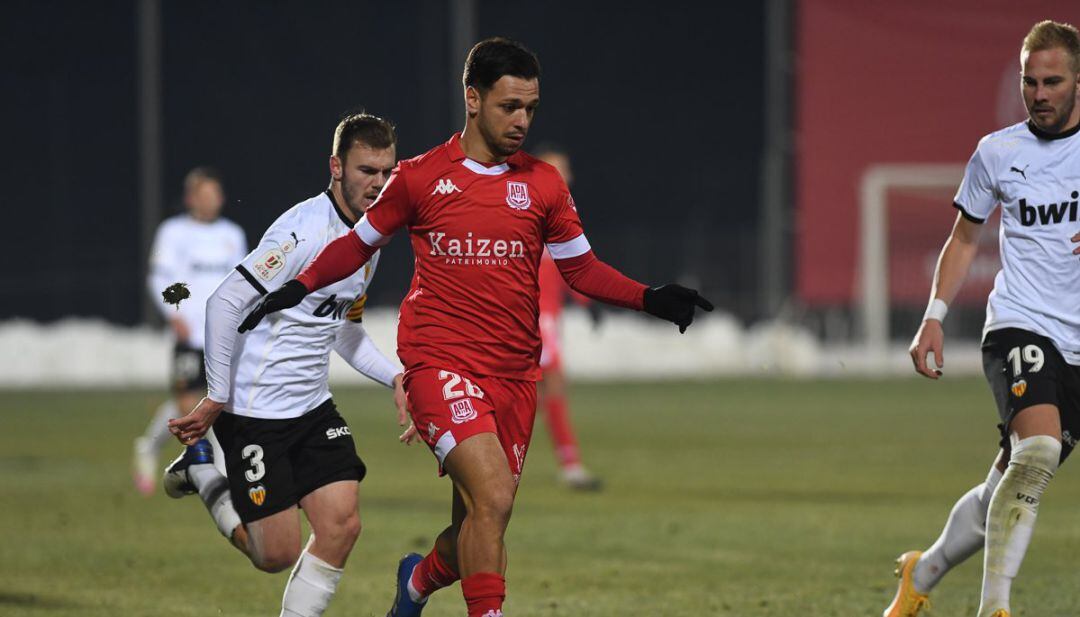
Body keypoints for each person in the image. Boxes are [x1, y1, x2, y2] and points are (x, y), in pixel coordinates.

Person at [238, 38, 713, 617]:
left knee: (479, 525)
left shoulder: (543, 185)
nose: (522, 121)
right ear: (472, 98)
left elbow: (581, 269)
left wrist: (650, 297)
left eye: (531, 108)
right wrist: (296, 287)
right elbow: (353, 246)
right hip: (441, 365)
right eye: (509, 106)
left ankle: (415, 584)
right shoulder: (417, 178)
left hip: (515, 376)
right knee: (493, 496)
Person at [164, 113, 406, 617]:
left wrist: (395, 377)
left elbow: (342, 328)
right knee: (275, 555)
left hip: (313, 409)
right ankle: (206, 475)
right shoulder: (300, 234)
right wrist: (217, 396)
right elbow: (223, 304)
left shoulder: (371, 239)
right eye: (367, 171)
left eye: (387, 172)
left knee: (342, 525)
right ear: (336, 167)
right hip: (255, 413)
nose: (378, 184)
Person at [885, 20, 1080, 617]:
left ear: (1078, 81)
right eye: (1030, 81)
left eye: (1052, 81)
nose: (1039, 93)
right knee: (1039, 450)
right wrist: (933, 316)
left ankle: (925, 571)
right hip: (1019, 323)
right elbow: (964, 239)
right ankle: (994, 608)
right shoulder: (998, 152)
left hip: (1076, 345)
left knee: (1010, 483)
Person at [134, 168, 246, 495]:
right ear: (191, 198)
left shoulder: (232, 234)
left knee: (220, 401)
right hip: (190, 332)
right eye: (205, 194)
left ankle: (221, 472)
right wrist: (174, 313)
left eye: (217, 194)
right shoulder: (174, 232)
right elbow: (159, 277)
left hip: (224, 333)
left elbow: (241, 282)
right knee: (187, 403)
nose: (213, 200)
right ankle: (152, 447)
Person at [533, 144, 602, 490]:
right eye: (559, 170)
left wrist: (586, 302)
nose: (567, 177)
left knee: (536, 391)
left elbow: (568, 267)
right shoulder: (529, 213)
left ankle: (568, 463)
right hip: (532, 319)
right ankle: (570, 465)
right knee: (547, 388)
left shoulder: (558, 215)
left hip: (547, 319)